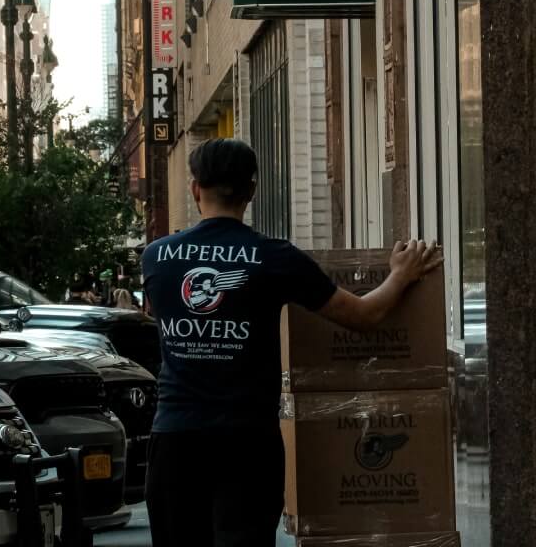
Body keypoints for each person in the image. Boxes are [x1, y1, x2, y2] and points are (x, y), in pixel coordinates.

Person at [141, 137, 441, 547]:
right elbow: (365, 316)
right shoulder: (275, 258)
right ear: (251, 191)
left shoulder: (157, 257)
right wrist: (401, 275)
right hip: (247, 442)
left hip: (175, 439)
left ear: (195, 189)